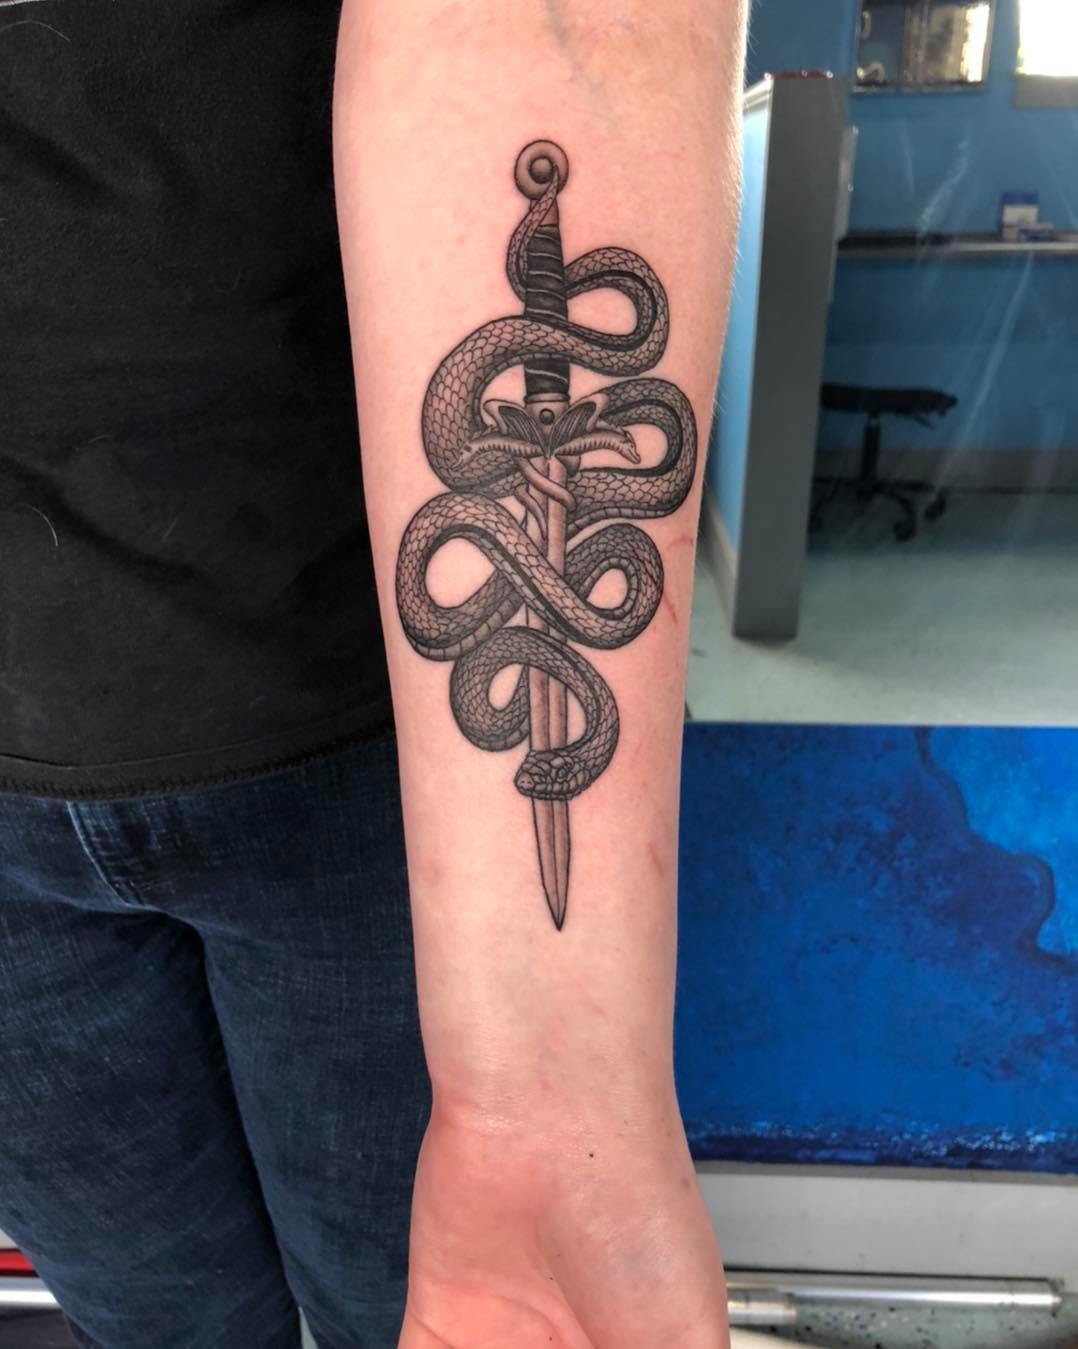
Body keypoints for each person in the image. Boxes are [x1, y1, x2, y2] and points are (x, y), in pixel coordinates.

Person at [0, 1, 746, 1345]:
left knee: (418, 1293)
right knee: (149, 1318)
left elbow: (558, 30)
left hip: (369, 761)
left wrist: (553, 1096)